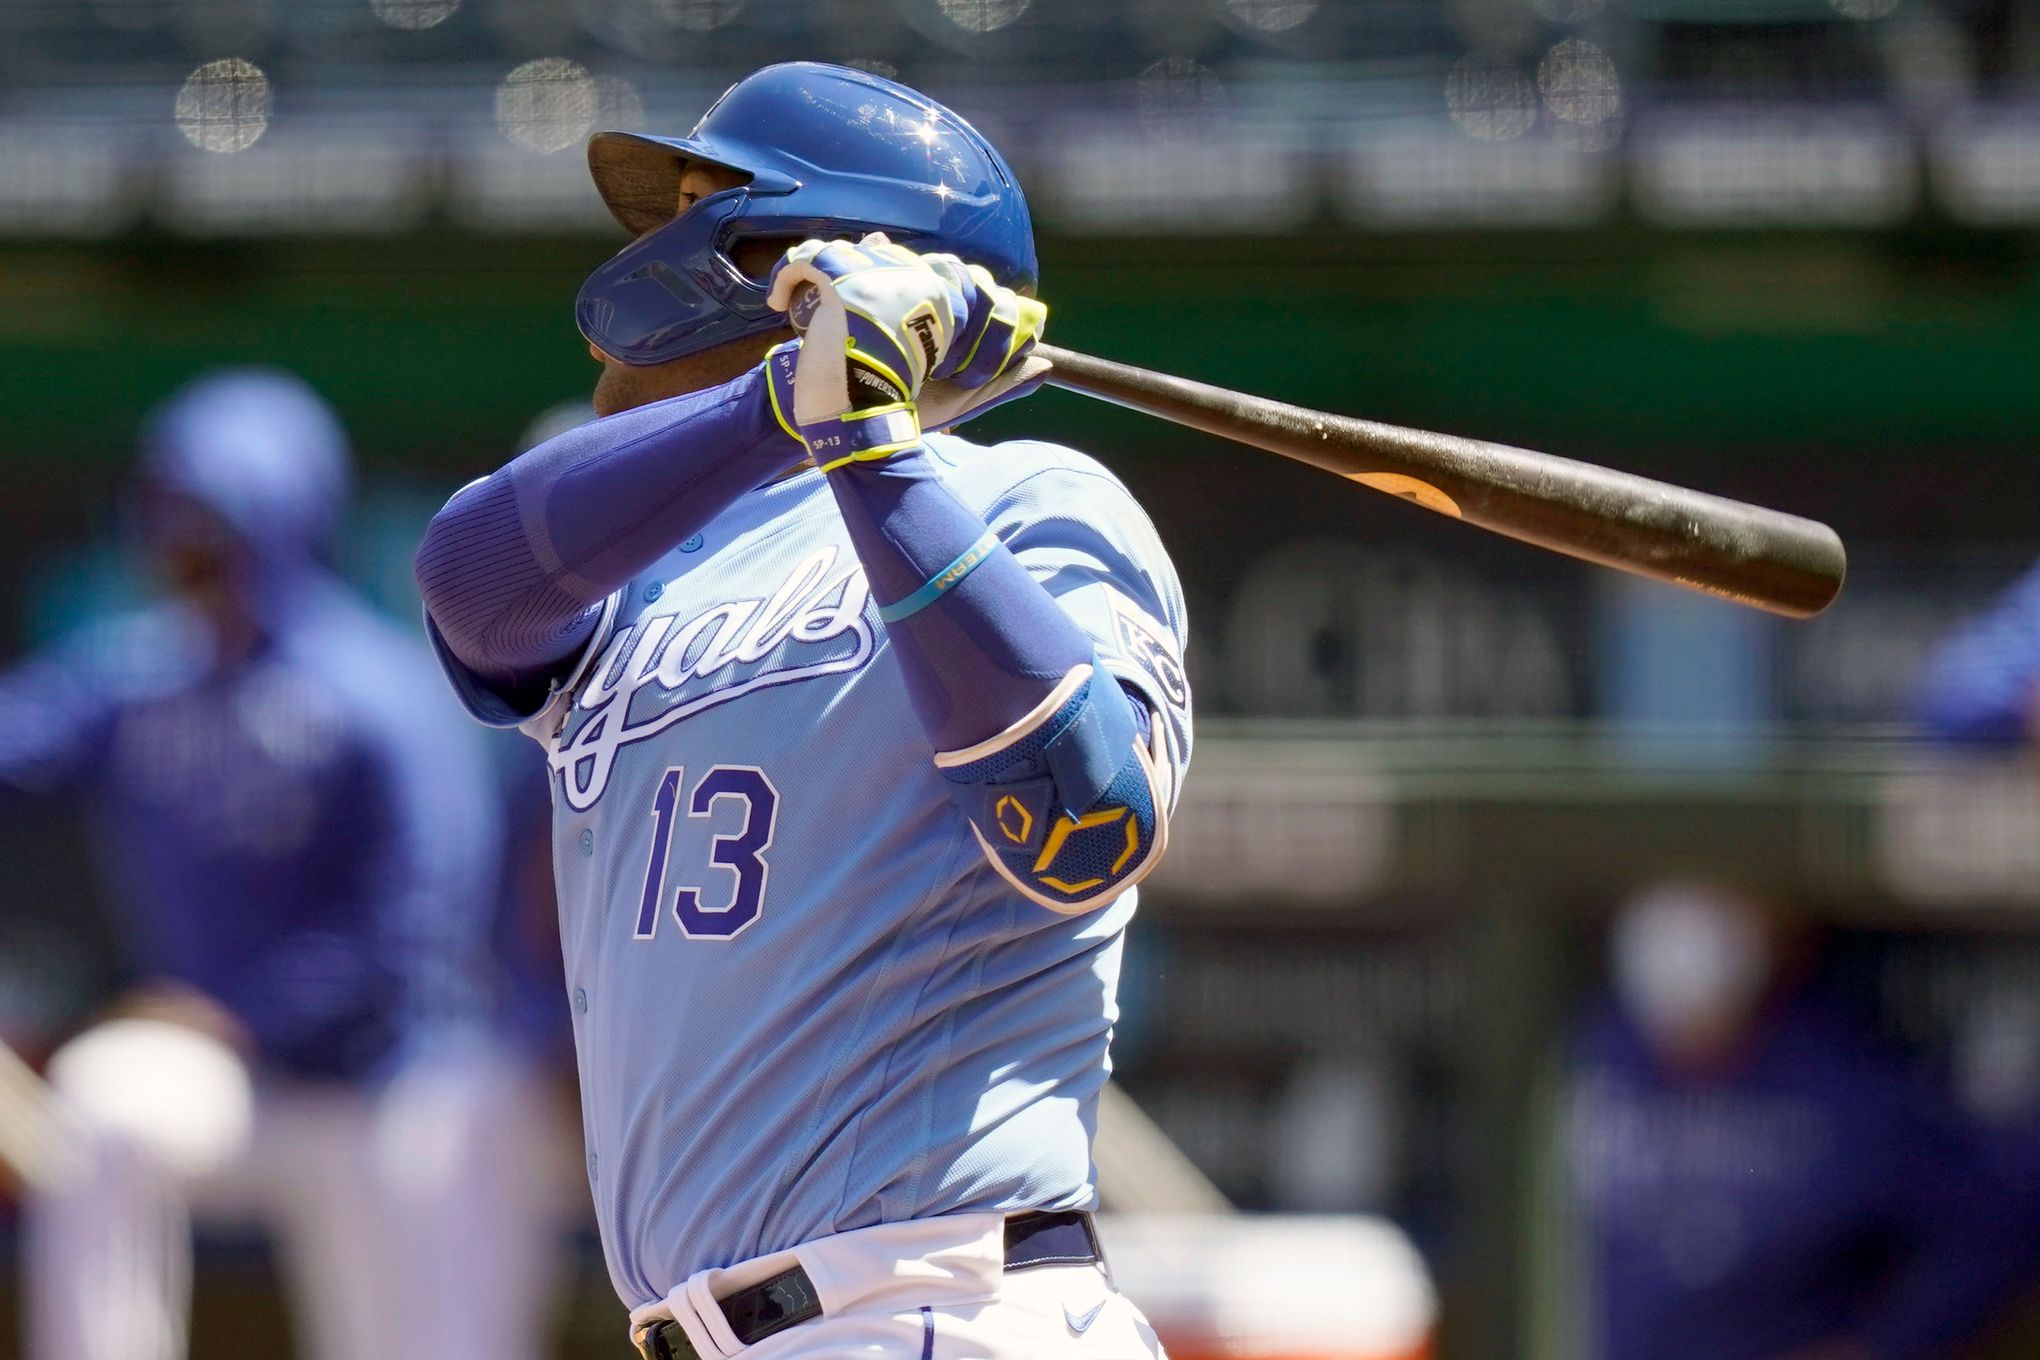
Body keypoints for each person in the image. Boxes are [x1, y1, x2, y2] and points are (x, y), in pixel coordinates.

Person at [414, 61, 1193, 1360]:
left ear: (806, 252)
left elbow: (1087, 824)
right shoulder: (643, 563)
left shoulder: (1031, 499)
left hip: (931, 1309)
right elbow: (468, 586)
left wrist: (877, 454)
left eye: (696, 203)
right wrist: (791, 408)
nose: (655, 243)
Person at [0, 370, 520, 1360]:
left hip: (386, 1084)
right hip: (232, 1082)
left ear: (279, 514)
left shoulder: (377, 689)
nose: (180, 535)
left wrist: (244, 1010)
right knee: (105, 1115)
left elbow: (418, 925)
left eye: (208, 511)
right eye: (168, 508)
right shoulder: (140, 671)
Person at [1565, 881, 2028, 1360]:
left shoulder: (1841, 1083)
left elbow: (1995, 1225)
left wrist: (1875, 1345)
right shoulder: (1591, 1055)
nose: (1688, 1041)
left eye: (1708, 1017)